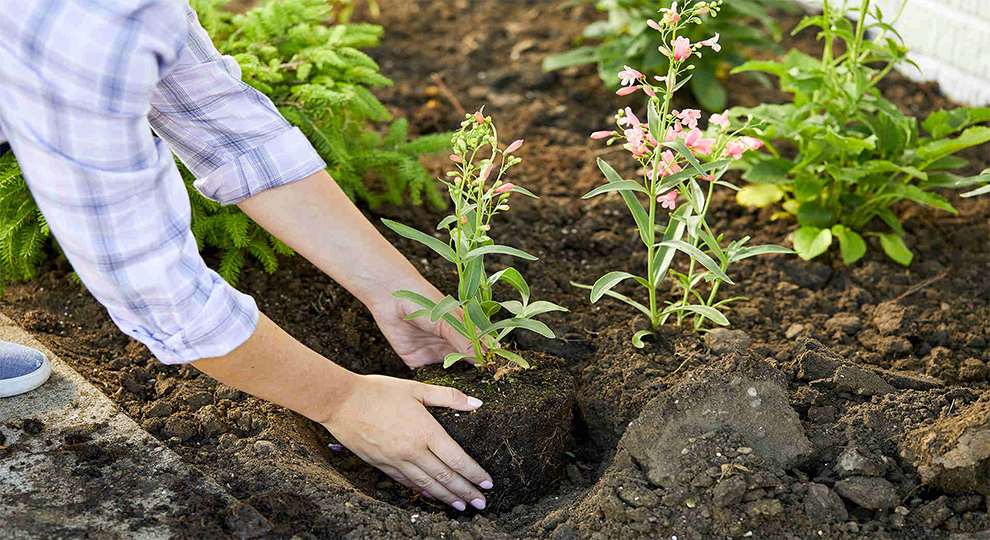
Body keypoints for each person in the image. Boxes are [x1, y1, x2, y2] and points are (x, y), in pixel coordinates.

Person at [0, 0, 492, 512]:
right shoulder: (85, 27)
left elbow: (220, 124)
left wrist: (393, 289)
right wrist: (343, 400)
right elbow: (154, 286)